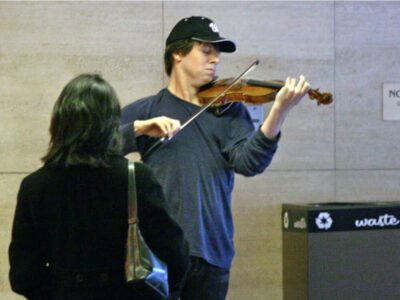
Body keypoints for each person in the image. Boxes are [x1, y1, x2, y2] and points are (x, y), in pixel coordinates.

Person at [120, 16, 310, 300]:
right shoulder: (149, 109)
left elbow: (249, 162)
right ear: (178, 53)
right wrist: (140, 127)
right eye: (206, 50)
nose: (216, 60)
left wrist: (278, 112)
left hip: (212, 253)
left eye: (217, 53)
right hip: (158, 254)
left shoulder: (229, 110)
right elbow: (95, 145)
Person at [9, 73, 190, 300]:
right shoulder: (137, 178)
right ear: (112, 124)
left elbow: (22, 275)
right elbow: (176, 256)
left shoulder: (35, 186)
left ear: (59, 122)